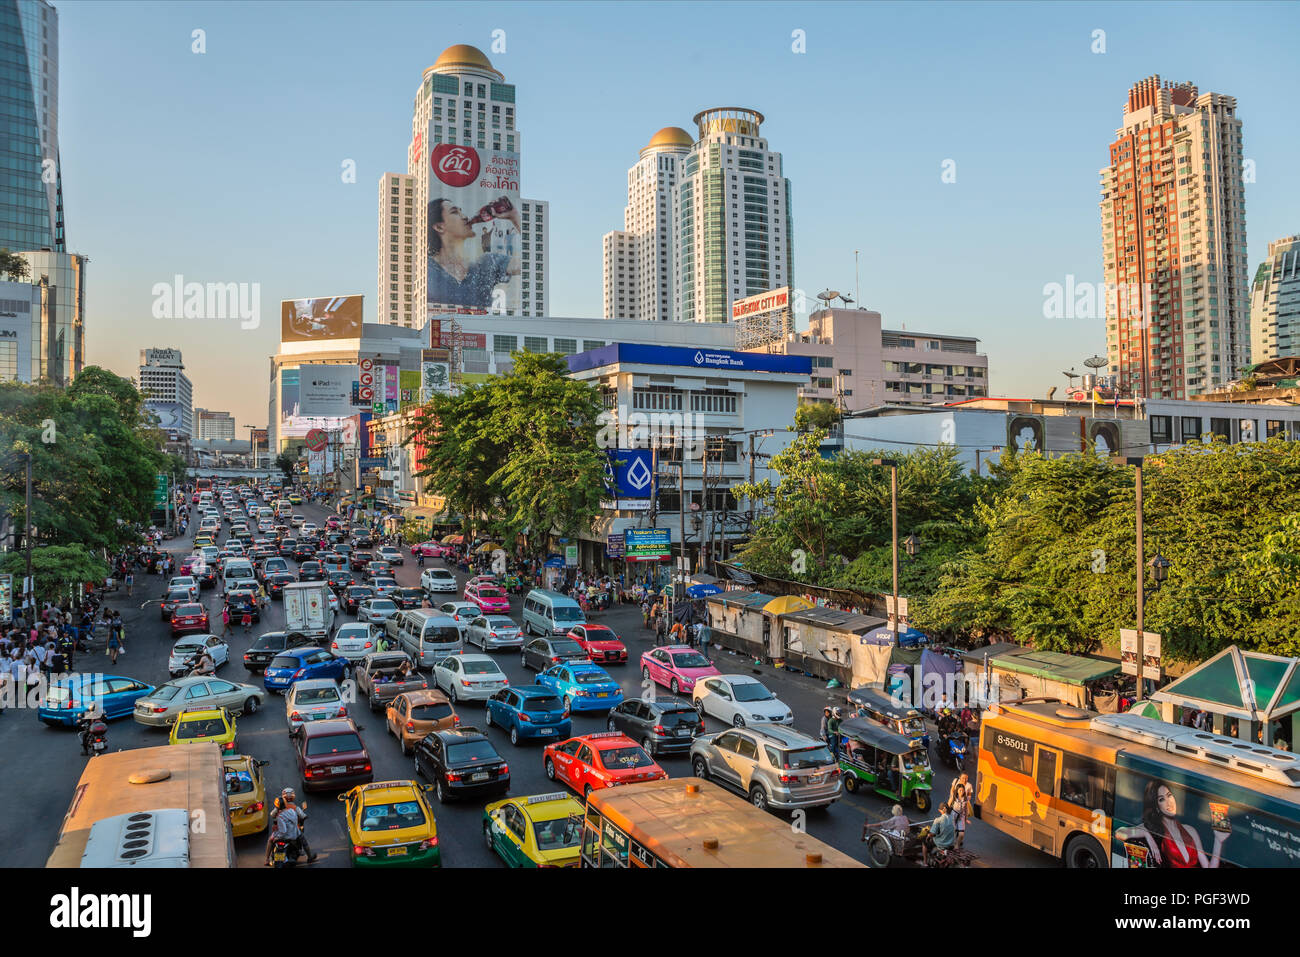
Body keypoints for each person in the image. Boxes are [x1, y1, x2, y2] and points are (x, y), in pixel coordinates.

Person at [1114, 779, 1227, 868]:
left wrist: (1218, 841)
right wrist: (1147, 834)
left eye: (1169, 795)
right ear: (1157, 807)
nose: (1169, 802)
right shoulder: (1153, 828)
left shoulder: (1191, 830)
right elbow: (1119, 833)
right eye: (1161, 799)